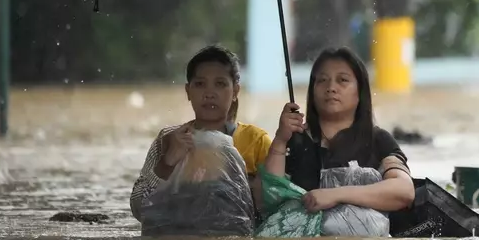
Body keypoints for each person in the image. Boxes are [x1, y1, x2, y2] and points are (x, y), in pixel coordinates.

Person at [130, 45, 272, 225]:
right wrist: (167, 162)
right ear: (188, 91)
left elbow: (275, 210)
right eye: (200, 84)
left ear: (235, 91)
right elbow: (139, 208)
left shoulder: (256, 141)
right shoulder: (169, 139)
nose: (209, 93)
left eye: (220, 84)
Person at [263, 46, 415, 214]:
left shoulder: (377, 140)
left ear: (360, 91)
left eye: (342, 80)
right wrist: (280, 139)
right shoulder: (295, 140)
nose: (331, 87)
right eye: (322, 80)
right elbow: (270, 198)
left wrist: (335, 195)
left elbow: (404, 191)